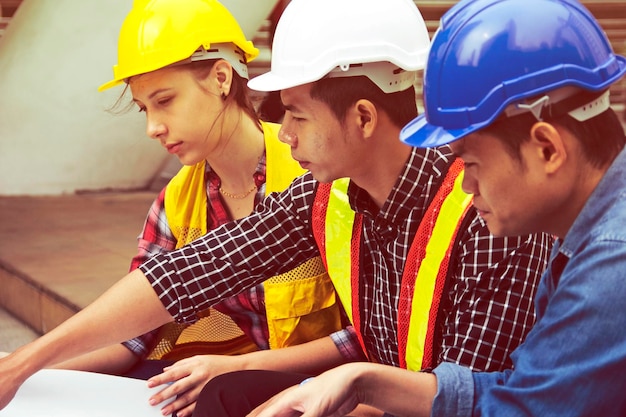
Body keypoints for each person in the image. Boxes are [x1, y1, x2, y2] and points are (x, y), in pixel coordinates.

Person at [0, 0, 552, 415]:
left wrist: (346, 388)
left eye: (298, 115)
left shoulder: (488, 213)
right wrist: (24, 363)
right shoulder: (329, 196)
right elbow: (193, 272)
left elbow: (470, 395)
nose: (283, 134)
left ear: (362, 117)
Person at [241, 0, 626, 416]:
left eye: (473, 162)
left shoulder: (611, 263)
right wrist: (363, 380)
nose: (466, 182)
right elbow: (524, 389)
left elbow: (523, 409)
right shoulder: (582, 238)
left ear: (547, 149)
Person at [54, 0, 343, 415]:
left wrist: (238, 369)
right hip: (210, 377)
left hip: (314, 386)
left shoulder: (317, 172)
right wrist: (25, 366)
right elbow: (134, 333)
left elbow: (365, 337)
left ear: (221, 78)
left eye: (165, 100)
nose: (152, 127)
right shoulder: (177, 200)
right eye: (144, 108)